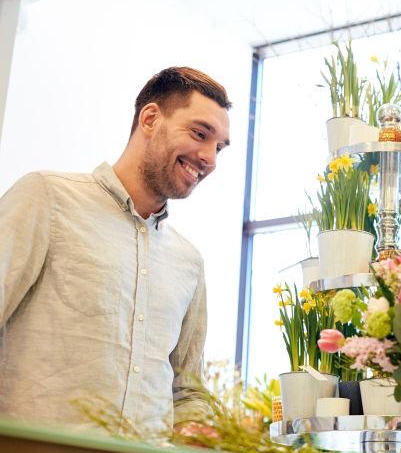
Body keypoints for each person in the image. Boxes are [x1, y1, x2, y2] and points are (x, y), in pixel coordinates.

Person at [0, 66, 232, 434]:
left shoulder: (188, 262)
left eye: (219, 147)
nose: (210, 158)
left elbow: (187, 392)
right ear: (151, 118)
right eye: (200, 134)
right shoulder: (47, 198)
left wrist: (206, 433)